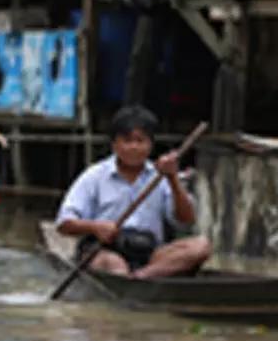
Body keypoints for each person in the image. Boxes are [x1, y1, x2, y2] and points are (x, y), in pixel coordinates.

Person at [56, 105, 209, 278]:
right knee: (115, 267)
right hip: (106, 250)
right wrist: (96, 227)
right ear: (114, 144)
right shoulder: (95, 176)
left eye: (140, 141)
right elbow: (64, 223)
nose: (134, 147)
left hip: (149, 253)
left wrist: (172, 179)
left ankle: (140, 276)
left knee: (200, 247)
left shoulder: (162, 177)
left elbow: (187, 220)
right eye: (127, 141)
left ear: (150, 145)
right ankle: (130, 279)